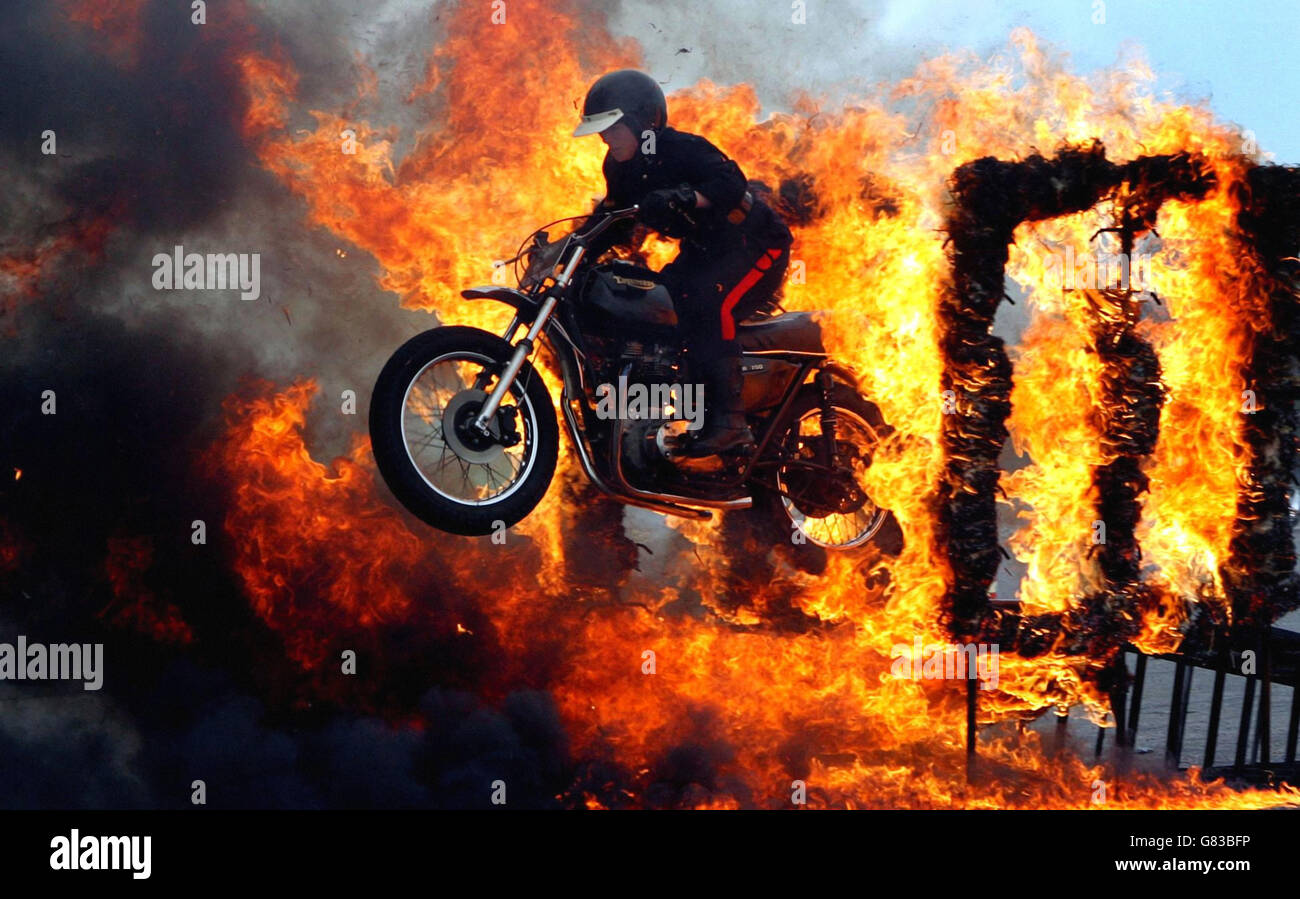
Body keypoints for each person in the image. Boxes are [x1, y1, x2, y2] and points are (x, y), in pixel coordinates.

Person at [572, 69, 794, 457]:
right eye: (600, 130)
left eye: (612, 127)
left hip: (755, 242)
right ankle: (680, 416)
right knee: (665, 307)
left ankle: (731, 423)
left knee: (711, 302)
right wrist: (568, 252)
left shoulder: (681, 148)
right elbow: (614, 222)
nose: (605, 138)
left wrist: (685, 196)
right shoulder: (618, 167)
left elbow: (731, 183)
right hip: (705, 251)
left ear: (642, 121)